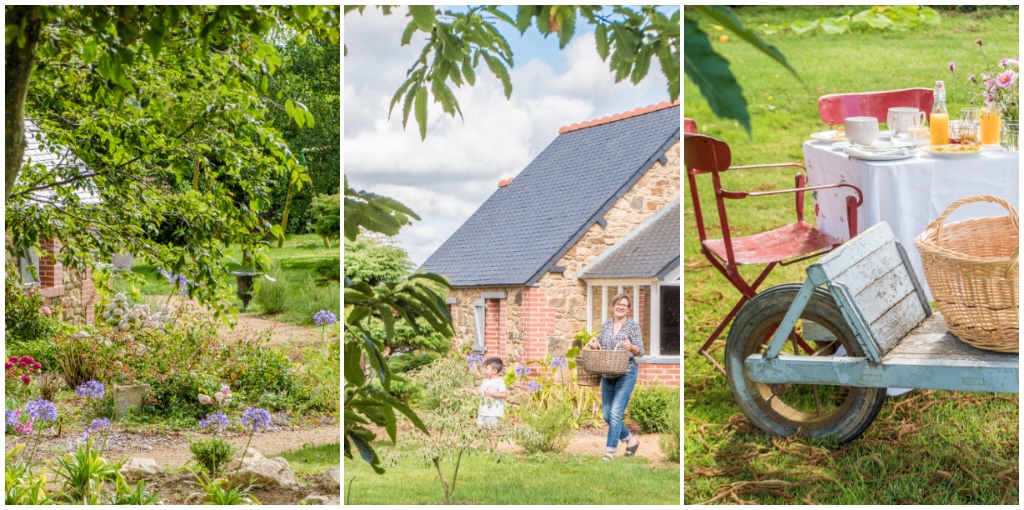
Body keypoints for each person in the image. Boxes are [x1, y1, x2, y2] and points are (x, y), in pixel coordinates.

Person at [587, 292, 644, 461]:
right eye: (618, 304)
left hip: (626, 372)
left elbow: (640, 350)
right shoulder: (606, 325)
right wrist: (594, 345)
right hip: (608, 372)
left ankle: (609, 452)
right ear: (613, 306)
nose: (620, 307)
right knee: (606, 414)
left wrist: (631, 347)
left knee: (615, 413)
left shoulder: (632, 325)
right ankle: (630, 440)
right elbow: (602, 347)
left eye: (624, 305)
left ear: (628, 309)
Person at [477, 357, 507, 430]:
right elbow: (481, 392)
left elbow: (504, 395)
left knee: (492, 433)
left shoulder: (499, 381)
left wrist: (491, 394)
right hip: (482, 412)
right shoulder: (485, 381)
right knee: (479, 431)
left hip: (493, 413)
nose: (484, 370)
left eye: (487, 368)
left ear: (494, 371)